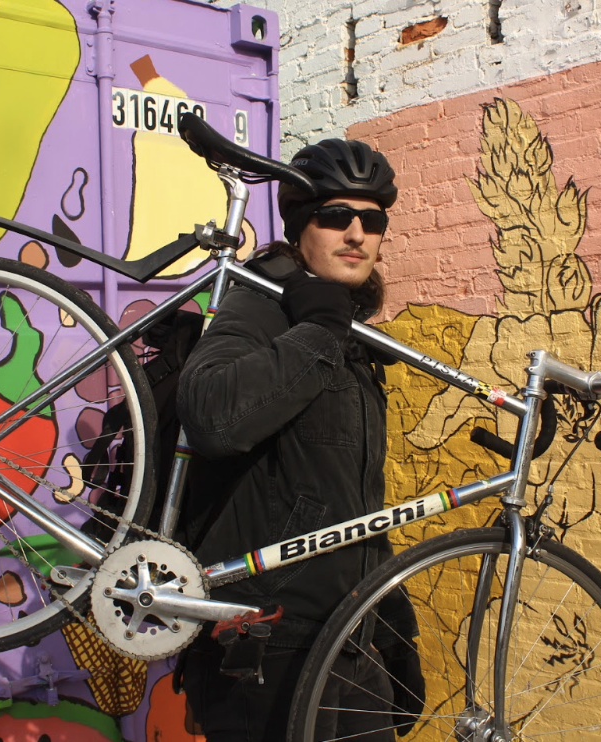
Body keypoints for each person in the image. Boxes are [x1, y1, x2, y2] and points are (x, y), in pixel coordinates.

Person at [175, 139, 423, 741]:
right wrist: (319, 328)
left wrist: (394, 629)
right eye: (336, 216)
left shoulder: (350, 336)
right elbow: (212, 416)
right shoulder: (262, 306)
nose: (357, 234)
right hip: (266, 642)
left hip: (348, 636)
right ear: (299, 226)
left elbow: (352, 506)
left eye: (373, 221)